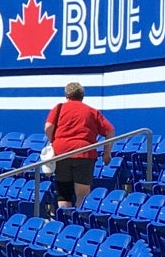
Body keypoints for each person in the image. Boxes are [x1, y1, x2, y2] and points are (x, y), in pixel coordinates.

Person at [44, 81, 114, 215]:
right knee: (82, 193)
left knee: (64, 193)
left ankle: (65, 223)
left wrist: (53, 141)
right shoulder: (92, 111)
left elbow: (48, 127)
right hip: (85, 154)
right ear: (82, 96)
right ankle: (79, 224)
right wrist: (107, 153)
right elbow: (110, 131)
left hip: (62, 153)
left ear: (67, 95)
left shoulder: (59, 108)